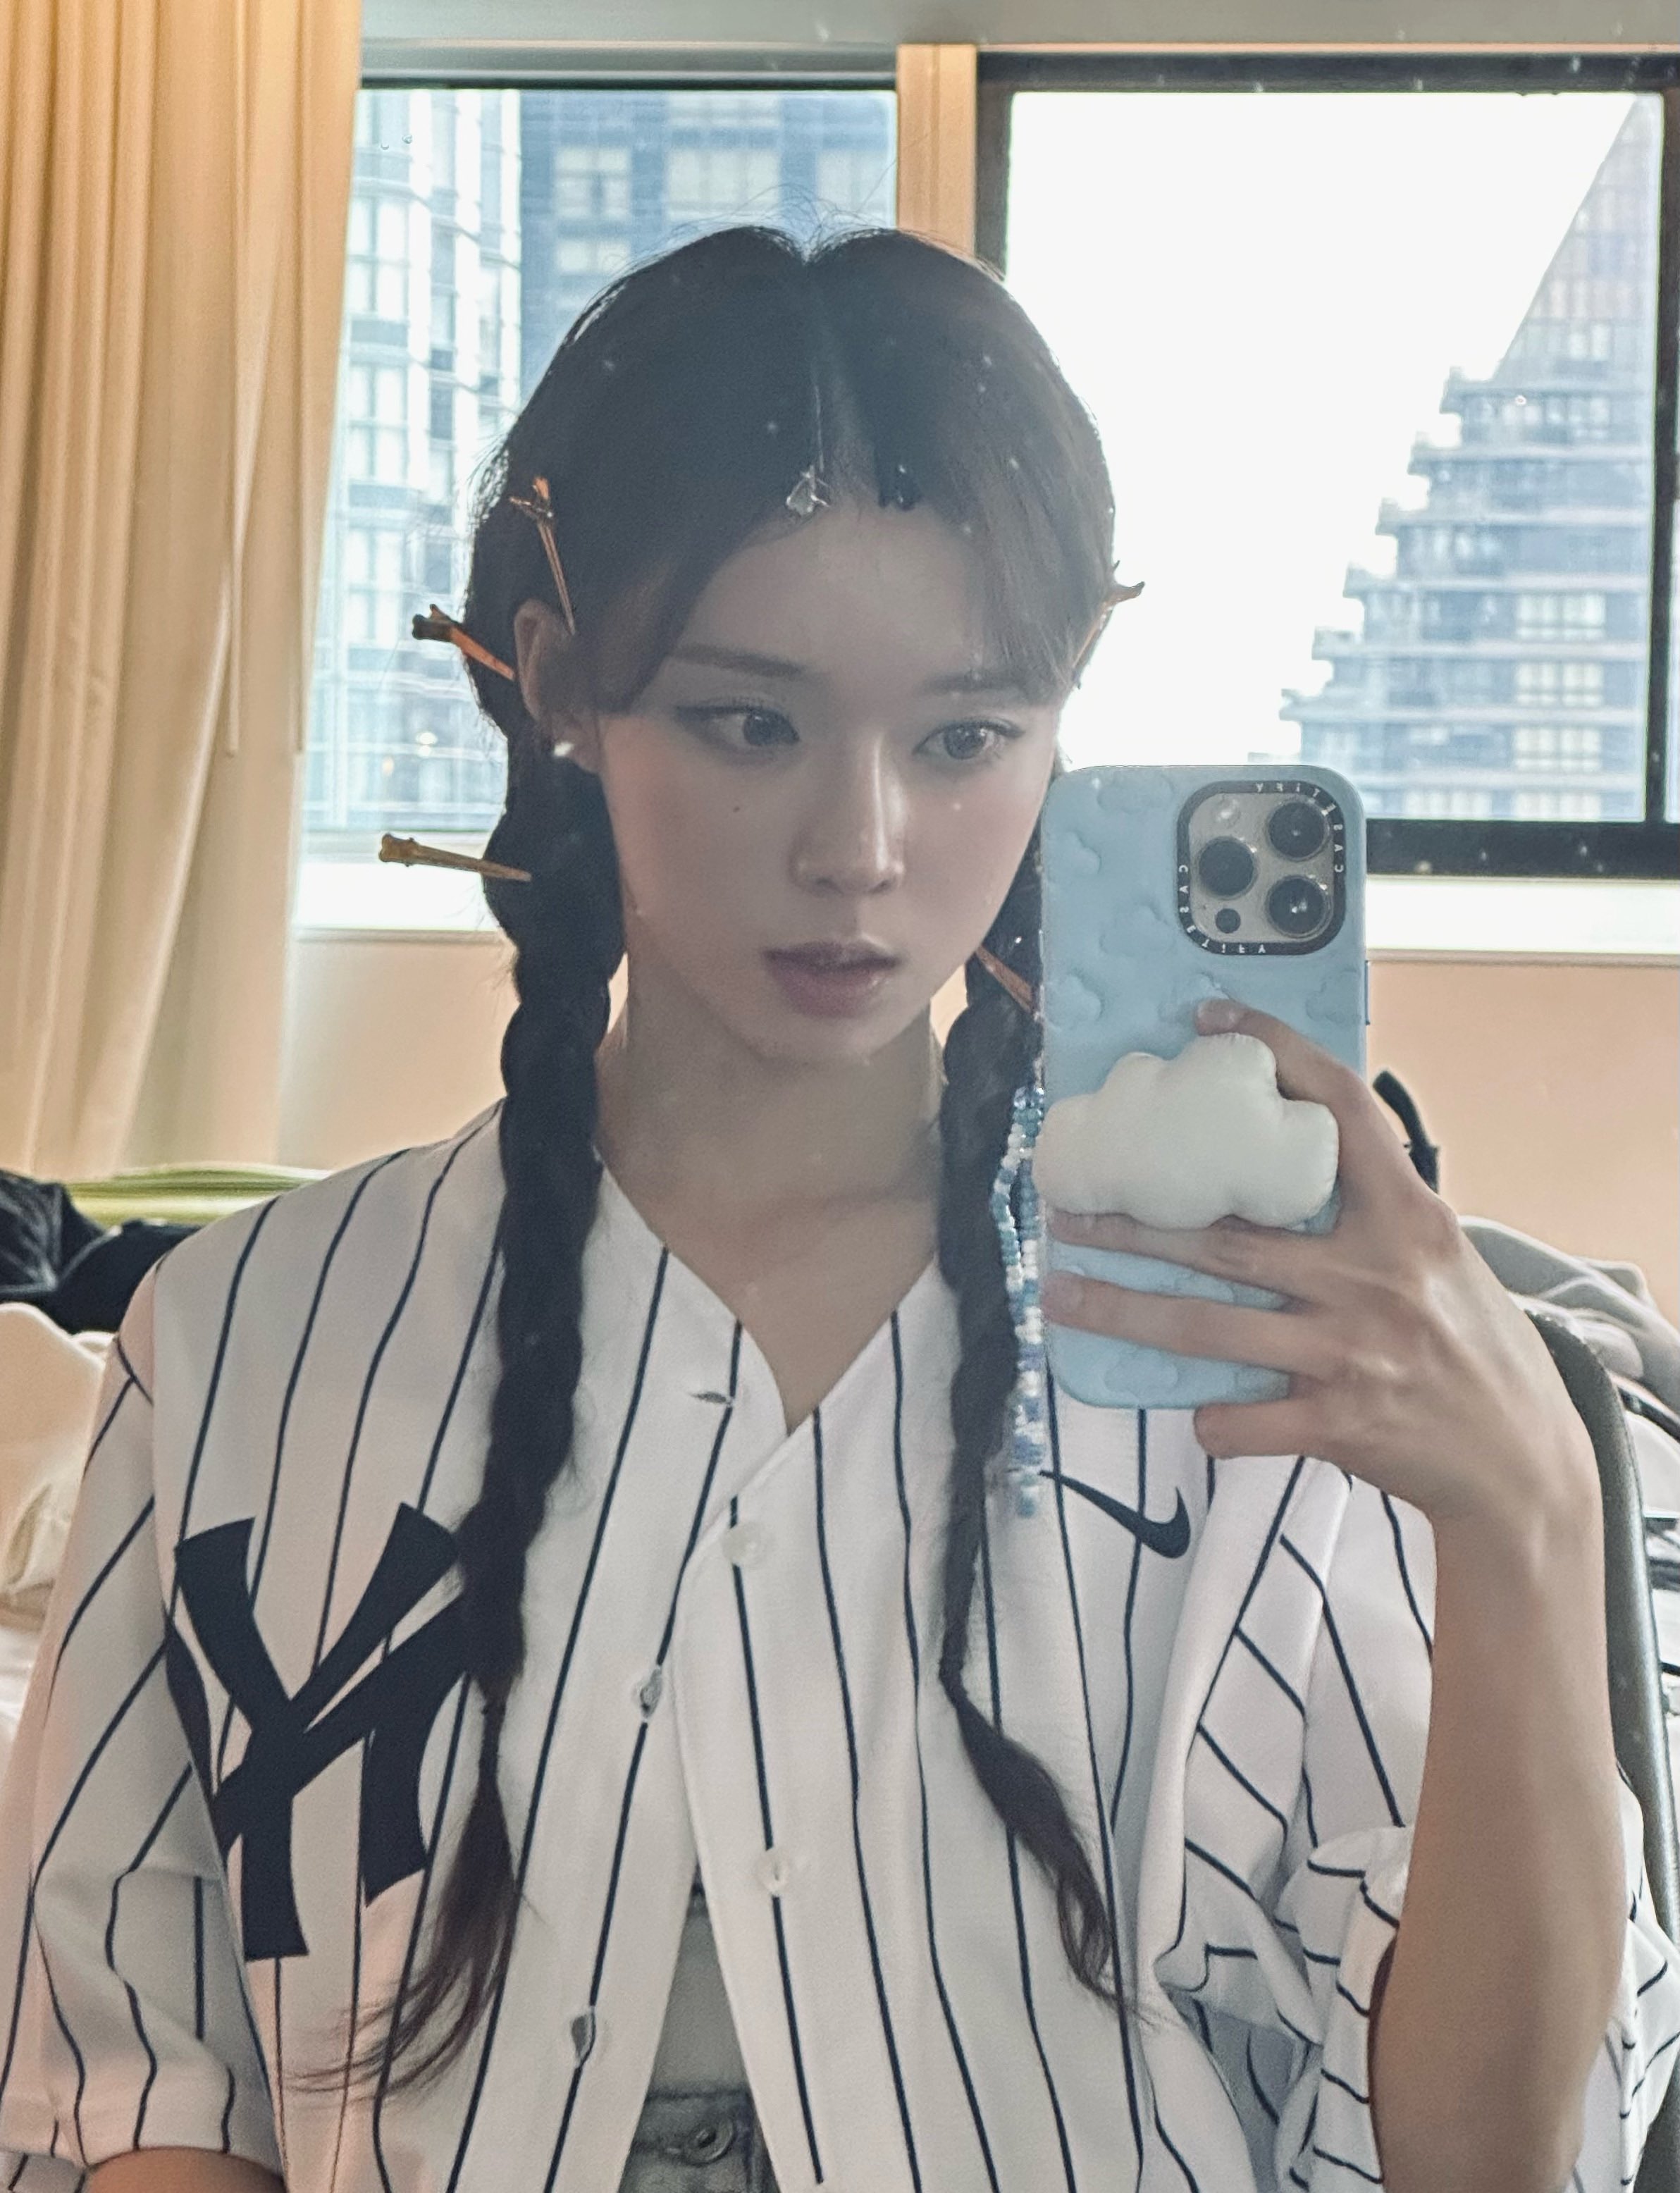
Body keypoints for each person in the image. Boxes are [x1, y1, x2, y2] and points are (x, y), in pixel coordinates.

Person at [0, 224, 1672, 2193]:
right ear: (561, 684)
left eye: (963, 736)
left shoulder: (1242, 1358)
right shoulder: (243, 1342)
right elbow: (132, 2082)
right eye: (751, 721)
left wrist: (1532, 1521)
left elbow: (1488, 2156)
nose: (860, 848)